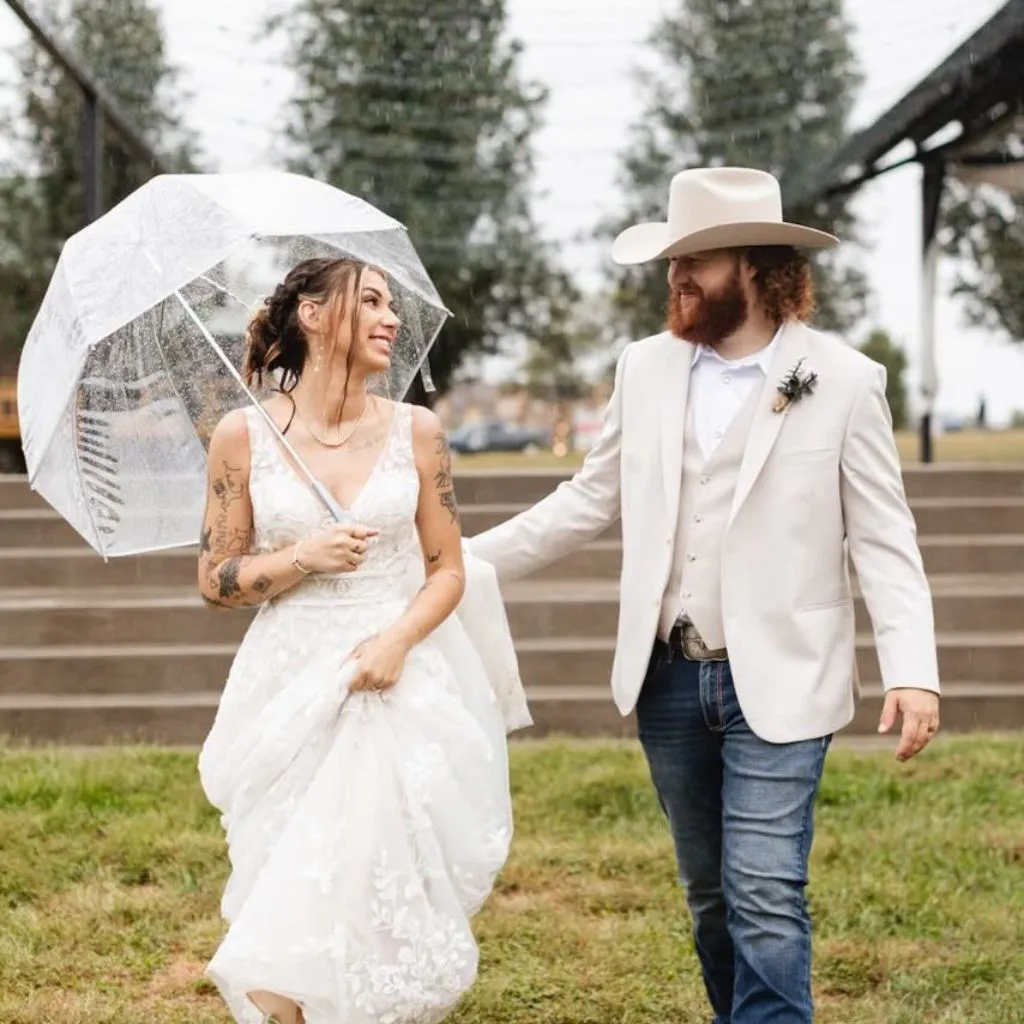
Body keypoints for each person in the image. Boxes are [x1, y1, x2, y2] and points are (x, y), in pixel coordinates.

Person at [468, 167, 941, 1023]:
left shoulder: (843, 379)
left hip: (784, 675)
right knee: (711, 900)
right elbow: (588, 499)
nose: (677, 278)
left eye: (699, 260)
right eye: (672, 261)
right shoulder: (644, 368)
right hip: (668, 680)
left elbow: (883, 538)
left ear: (757, 267)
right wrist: (459, 563)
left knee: (763, 894)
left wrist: (914, 669)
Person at [195, 255, 527, 1024]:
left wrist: (397, 641)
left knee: (376, 881)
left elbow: (448, 570)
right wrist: (299, 559)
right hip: (290, 681)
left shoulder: (419, 432)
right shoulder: (241, 437)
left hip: (398, 678)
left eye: (392, 305)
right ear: (311, 315)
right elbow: (214, 579)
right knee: (293, 881)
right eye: (370, 301)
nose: (391, 318)